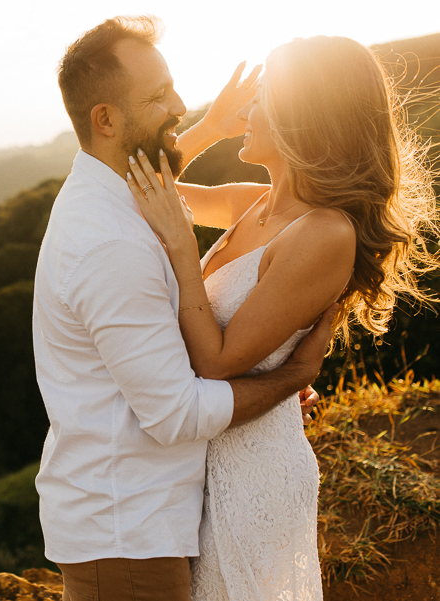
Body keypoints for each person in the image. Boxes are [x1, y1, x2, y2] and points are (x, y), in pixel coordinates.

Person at [33, 16, 338, 601]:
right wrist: (290, 377)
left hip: (153, 517)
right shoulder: (110, 243)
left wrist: (207, 129)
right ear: (105, 119)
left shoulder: (107, 199)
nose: (178, 104)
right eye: (157, 97)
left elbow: (151, 183)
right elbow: (176, 413)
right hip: (127, 531)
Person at [126, 35, 437, 600]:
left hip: (252, 477)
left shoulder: (326, 231)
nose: (247, 112)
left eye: (262, 98)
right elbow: (137, 188)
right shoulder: (256, 202)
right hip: (206, 457)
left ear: (303, 114)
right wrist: (210, 126)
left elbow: (217, 362)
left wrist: (179, 247)